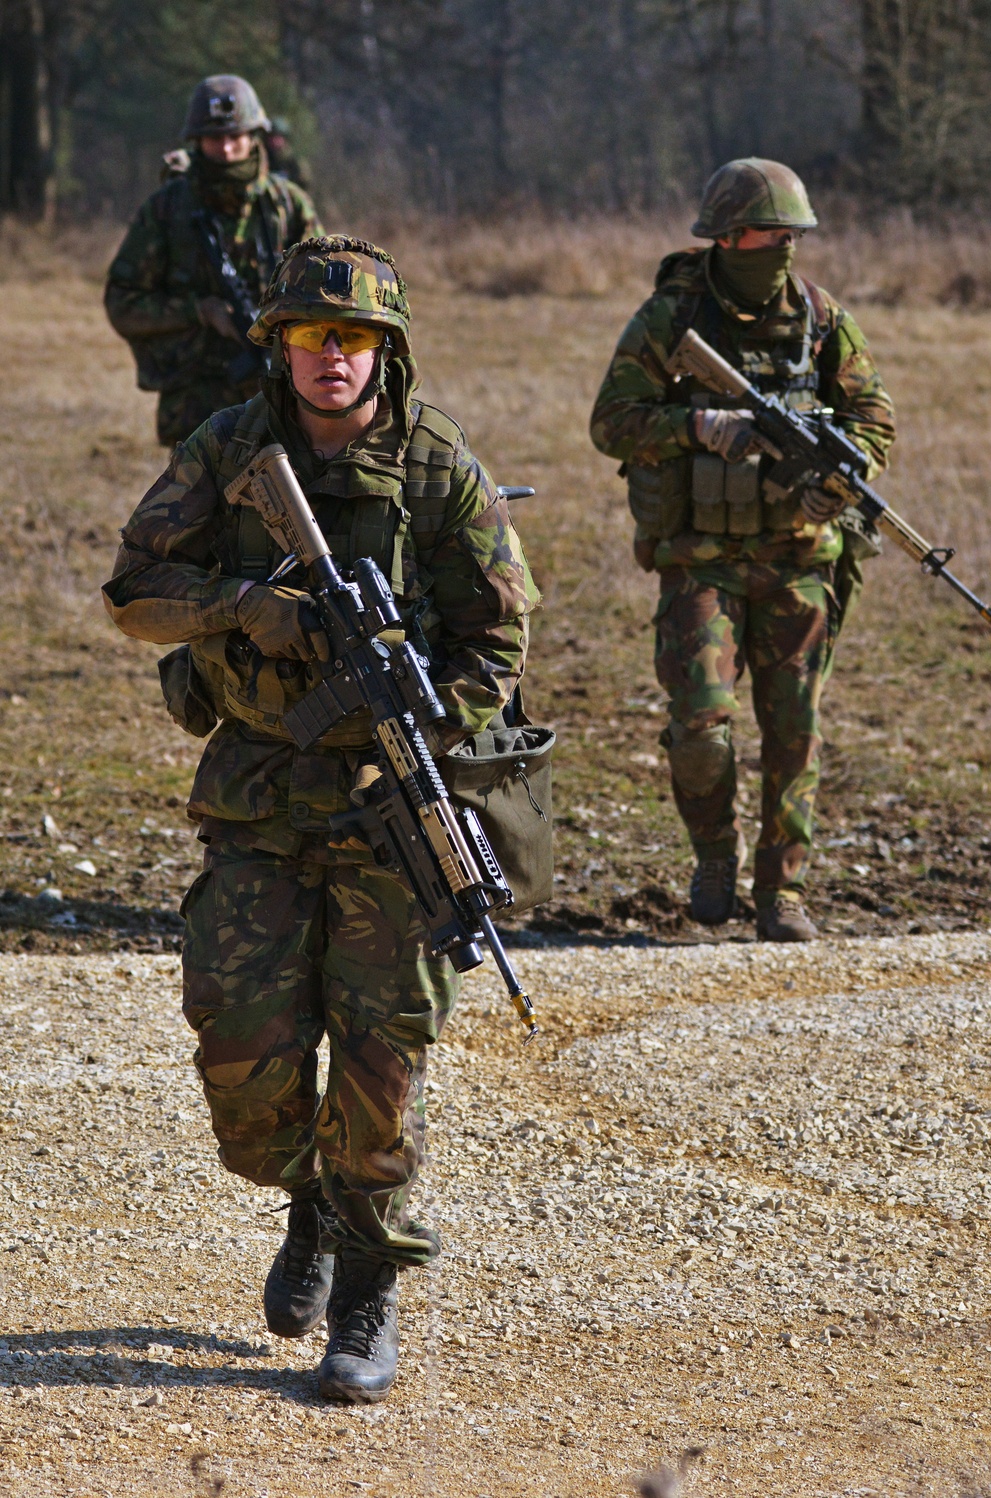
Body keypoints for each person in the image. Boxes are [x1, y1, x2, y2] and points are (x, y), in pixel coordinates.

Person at [102, 235, 537, 1402]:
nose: (331, 359)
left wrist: (422, 714)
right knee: (245, 1066)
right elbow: (132, 592)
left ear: (383, 352)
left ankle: (365, 1285)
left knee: (384, 1061)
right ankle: (306, 1195)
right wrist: (244, 605)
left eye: (352, 340)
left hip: (390, 809)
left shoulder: (438, 464)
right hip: (257, 798)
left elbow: (501, 632)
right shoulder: (228, 450)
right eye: (311, 339)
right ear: (282, 349)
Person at [590, 158, 895, 941]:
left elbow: (874, 420)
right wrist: (694, 427)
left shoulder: (825, 321)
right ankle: (714, 859)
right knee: (702, 720)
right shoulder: (670, 320)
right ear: (727, 238)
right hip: (701, 558)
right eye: (768, 234)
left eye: (793, 235)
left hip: (799, 558)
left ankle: (783, 891)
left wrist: (843, 474)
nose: (783, 249)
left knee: (795, 729)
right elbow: (611, 422)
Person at [105, 75, 322, 447]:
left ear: (254, 136)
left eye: (235, 137)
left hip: (280, 395)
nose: (226, 149)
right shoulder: (166, 210)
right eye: (214, 138)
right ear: (196, 141)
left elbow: (323, 299)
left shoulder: (288, 207)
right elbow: (122, 302)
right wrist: (199, 311)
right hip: (194, 402)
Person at [265, 116, 313, 192]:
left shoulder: (294, 161)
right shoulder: (263, 158)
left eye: (277, 137)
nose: (274, 141)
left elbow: (304, 183)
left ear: (285, 139)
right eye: (271, 137)